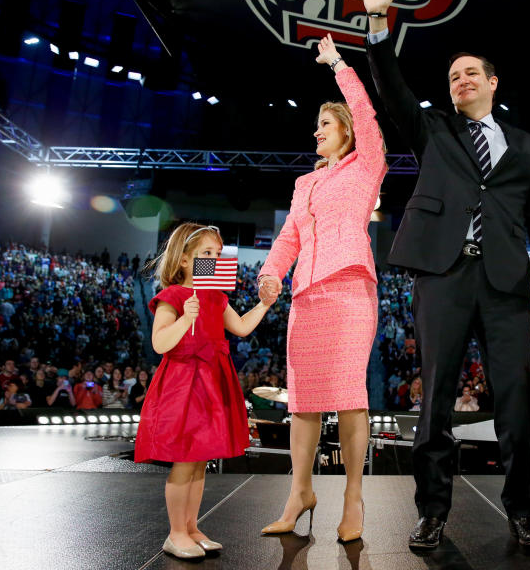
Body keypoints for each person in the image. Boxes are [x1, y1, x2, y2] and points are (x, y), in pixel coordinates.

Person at [362, 0, 530, 549]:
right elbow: (392, 87)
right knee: (436, 403)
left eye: (472, 73)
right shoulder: (432, 131)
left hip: (505, 283)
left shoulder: (526, 146)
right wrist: (379, 22)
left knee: (515, 402)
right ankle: (431, 511)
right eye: (453, 76)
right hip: (443, 279)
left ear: (494, 82)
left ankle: (523, 511)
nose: (461, 80)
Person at [257, 34, 387, 545]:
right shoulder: (304, 184)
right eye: (316, 127)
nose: (316, 133)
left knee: (351, 396)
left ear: (348, 132)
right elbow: (289, 235)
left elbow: (367, 114)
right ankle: (300, 492)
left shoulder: (366, 163)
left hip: (351, 289)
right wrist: (271, 272)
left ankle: (354, 495)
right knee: (303, 400)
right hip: (305, 296)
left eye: (325, 125)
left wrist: (337, 64)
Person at [138, 222, 276, 559]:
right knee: (185, 461)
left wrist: (265, 304)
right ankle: (175, 533)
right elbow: (159, 343)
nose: (214, 258)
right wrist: (185, 319)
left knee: (200, 462)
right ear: (185, 260)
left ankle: (190, 527)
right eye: (206, 254)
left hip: (213, 381)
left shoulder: (215, 296)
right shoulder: (172, 297)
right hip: (183, 384)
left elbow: (241, 328)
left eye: (218, 252)